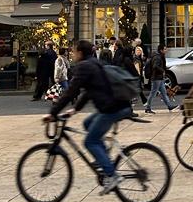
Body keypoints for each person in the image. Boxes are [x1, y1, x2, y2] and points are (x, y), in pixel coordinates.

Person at [45, 38, 133, 193]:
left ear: (80, 52)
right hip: (114, 104)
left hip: (111, 108)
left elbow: (70, 92)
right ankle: (104, 159)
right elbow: (88, 90)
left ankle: (112, 175)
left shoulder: (84, 66)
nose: (72, 54)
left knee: (90, 142)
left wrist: (53, 113)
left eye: (73, 51)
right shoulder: (94, 63)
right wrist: (75, 110)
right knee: (87, 124)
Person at [144, 44, 178, 113]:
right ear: (161, 50)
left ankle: (169, 106)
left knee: (164, 93)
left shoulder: (160, 56)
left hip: (160, 78)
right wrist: (162, 71)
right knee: (153, 93)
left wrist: (164, 69)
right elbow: (155, 66)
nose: (166, 50)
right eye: (165, 49)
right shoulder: (157, 57)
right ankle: (148, 108)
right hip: (156, 78)